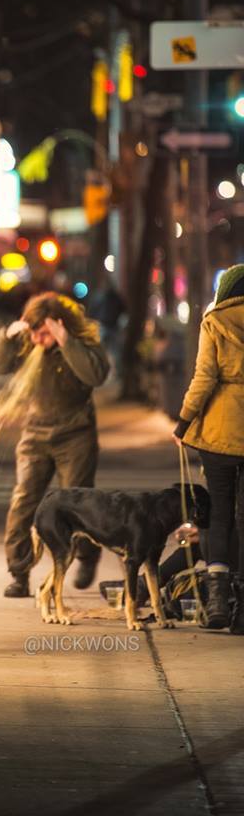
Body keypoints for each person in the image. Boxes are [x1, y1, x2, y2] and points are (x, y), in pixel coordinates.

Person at [0, 292, 110, 598]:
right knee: (24, 502)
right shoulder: (27, 344)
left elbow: (96, 374)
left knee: (77, 502)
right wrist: (7, 334)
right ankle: (19, 571)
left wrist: (66, 340)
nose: (38, 339)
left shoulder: (80, 342)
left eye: (44, 332)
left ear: (59, 325)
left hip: (76, 433)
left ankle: (87, 555)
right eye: (34, 332)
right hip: (35, 433)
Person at [173, 263, 244, 633]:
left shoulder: (215, 321)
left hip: (218, 433)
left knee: (219, 514)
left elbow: (204, 378)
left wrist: (183, 422)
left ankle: (216, 601)